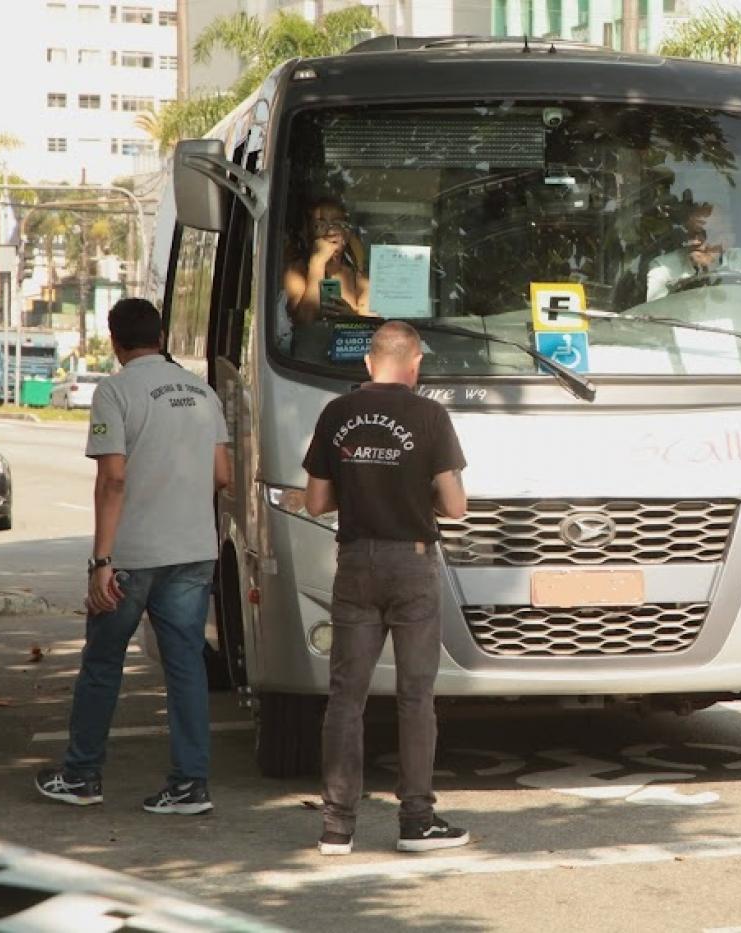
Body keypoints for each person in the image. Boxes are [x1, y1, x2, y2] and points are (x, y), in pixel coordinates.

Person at [36, 298, 230, 814]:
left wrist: (101, 561)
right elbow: (222, 474)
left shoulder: (116, 391)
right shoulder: (203, 393)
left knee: (102, 662)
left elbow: (113, 477)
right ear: (161, 336)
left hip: (132, 556)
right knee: (186, 665)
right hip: (193, 551)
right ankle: (190, 784)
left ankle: (81, 776)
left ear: (116, 341)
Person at [302, 320, 469, 856]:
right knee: (416, 697)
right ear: (414, 363)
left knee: (346, 696)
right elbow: (456, 505)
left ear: (369, 362)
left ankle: (336, 826)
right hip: (412, 564)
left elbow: (316, 502)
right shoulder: (429, 415)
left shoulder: (337, 413)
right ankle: (416, 821)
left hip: (355, 562)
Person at [646, 200, 741, 301]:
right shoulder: (664, 268)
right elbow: (655, 317)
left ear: (726, 240)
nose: (695, 241)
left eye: (704, 234)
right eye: (691, 234)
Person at [284, 195, 373, 326]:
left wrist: (351, 317)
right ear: (309, 232)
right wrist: (317, 264)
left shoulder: (358, 278)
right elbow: (303, 323)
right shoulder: (297, 271)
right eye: (319, 225)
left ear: (347, 234)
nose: (330, 230)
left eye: (337, 223)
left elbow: (372, 331)